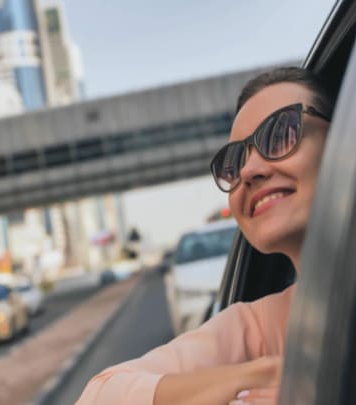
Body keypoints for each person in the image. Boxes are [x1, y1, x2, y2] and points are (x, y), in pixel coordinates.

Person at [75, 66, 335, 405]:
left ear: (345, 138)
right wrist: (260, 377)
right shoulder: (260, 327)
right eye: (234, 160)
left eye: (282, 133)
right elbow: (98, 395)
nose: (247, 171)